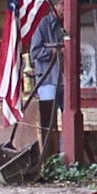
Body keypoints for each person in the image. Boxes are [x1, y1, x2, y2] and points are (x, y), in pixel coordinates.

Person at [30, 10, 64, 156]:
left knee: (67, 118)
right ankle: (50, 157)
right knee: (49, 121)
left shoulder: (65, 24)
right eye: (62, 3)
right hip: (48, 80)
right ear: (55, 5)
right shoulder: (44, 25)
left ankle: (64, 153)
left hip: (65, 81)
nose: (64, 7)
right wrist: (52, 52)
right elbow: (34, 52)